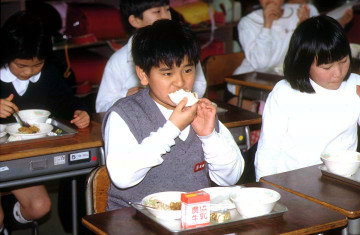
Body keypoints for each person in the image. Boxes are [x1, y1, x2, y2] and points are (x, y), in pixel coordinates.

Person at [102, 19, 244, 210]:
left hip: (192, 220)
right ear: (143, 75)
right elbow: (122, 178)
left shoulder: (201, 111)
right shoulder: (125, 114)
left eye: (188, 70)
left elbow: (230, 178)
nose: (180, 82)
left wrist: (209, 136)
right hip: (135, 222)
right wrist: (172, 127)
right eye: (167, 74)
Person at [0, 11, 90, 234]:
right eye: (20, 66)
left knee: (40, 206)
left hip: (23, 158)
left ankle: (6, 223)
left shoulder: (48, 73)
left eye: (36, 64)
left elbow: (66, 104)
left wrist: (80, 114)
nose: (28, 72)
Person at [254, 15, 360, 181]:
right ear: (304, 64)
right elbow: (268, 153)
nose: (338, 73)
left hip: (343, 183)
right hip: (295, 187)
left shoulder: (355, 85)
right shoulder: (285, 94)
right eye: (327, 67)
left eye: (344, 61)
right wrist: (267, 191)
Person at [226, 0, 353, 103]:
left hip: (287, 76)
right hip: (253, 81)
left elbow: (319, 49)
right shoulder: (248, 22)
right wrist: (267, 26)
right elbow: (260, 62)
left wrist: (338, 24)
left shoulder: (299, 12)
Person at [95, 0, 207, 113]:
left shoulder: (182, 51)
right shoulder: (118, 61)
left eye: (167, 10)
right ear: (135, 21)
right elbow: (101, 107)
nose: (166, 17)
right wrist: (125, 97)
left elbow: (200, 84)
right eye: (157, 12)